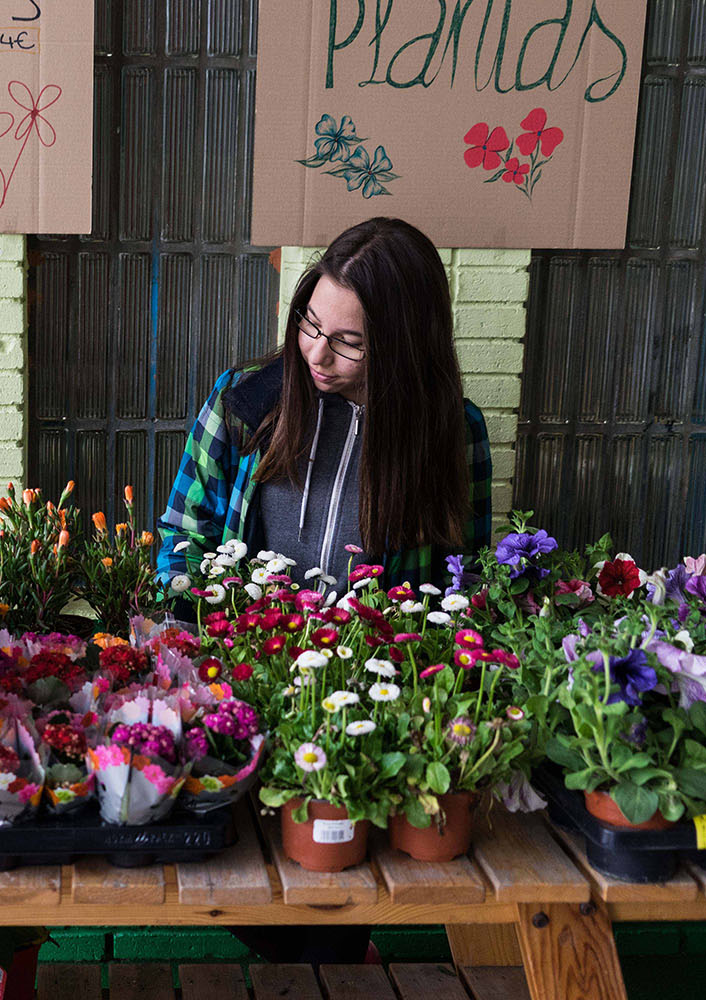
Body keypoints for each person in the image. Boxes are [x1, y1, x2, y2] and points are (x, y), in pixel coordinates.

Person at [156, 216, 493, 964]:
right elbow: (181, 535)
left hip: (362, 717)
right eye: (310, 325)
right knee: (248, 891)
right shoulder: (247, 402)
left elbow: (460, 586)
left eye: (348, 342)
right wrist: (199, 645)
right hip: (244, 691)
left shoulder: (449, 435)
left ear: (403, 345)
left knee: (334, 898)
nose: (316, 353)